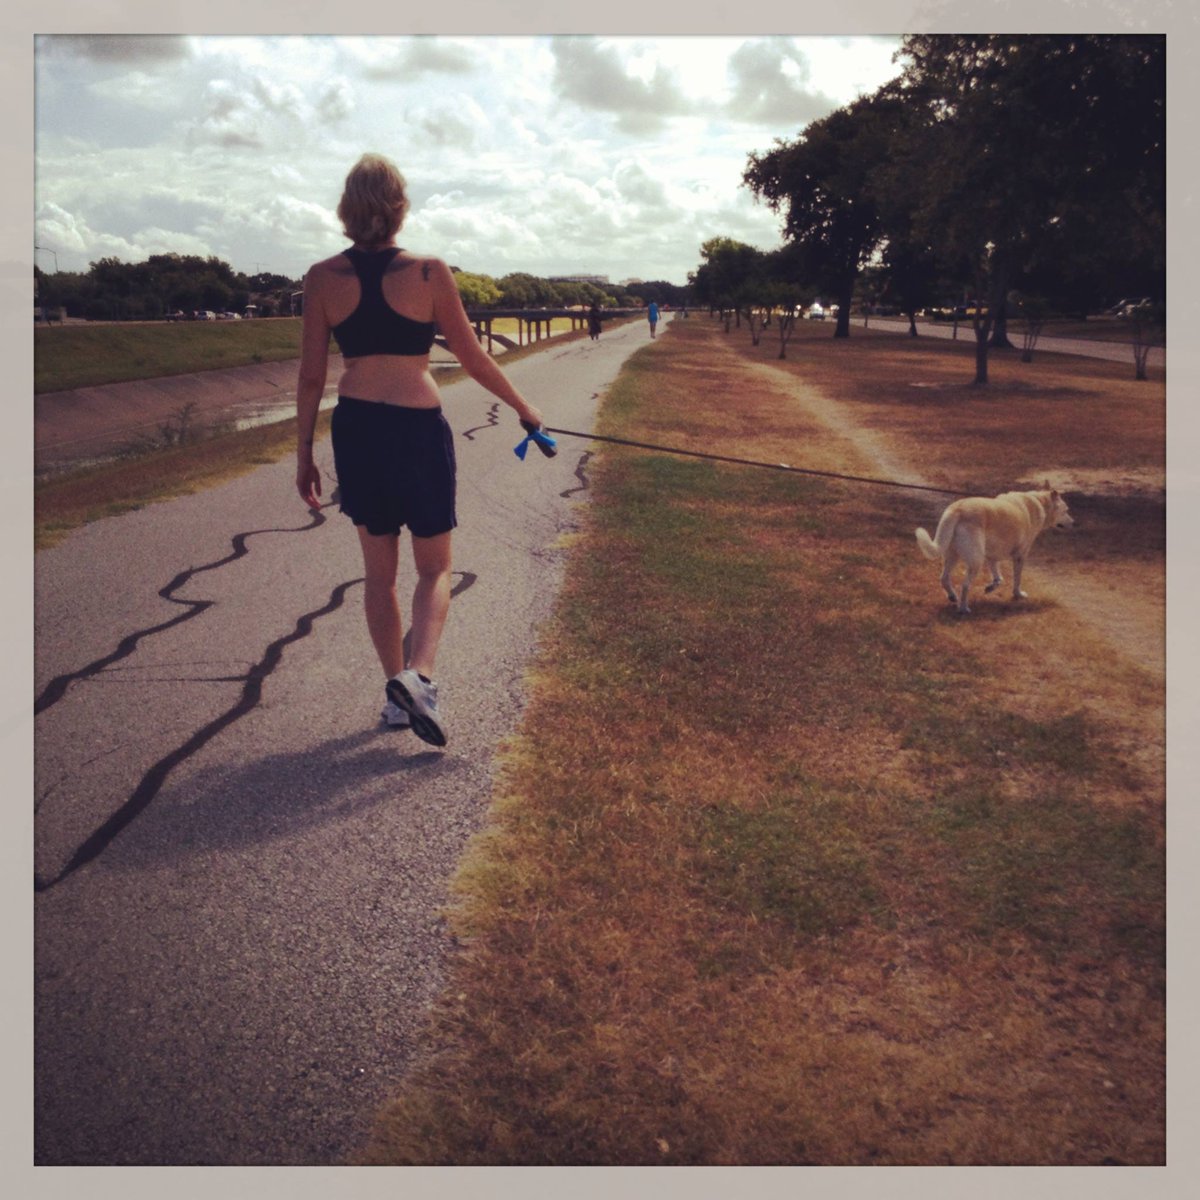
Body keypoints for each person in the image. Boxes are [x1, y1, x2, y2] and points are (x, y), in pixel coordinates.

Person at [294, 153, 544, 748]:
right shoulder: (430, 272)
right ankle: (420, 676)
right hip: (416, 427)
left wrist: (303, 453)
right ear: (400, 207)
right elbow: (473, 355)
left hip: (356, 427)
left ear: (347, 210)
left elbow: (309, 377)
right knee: (434, 567)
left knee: (378, 577)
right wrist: (523, 407)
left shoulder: (322, 278)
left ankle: (396, 698)